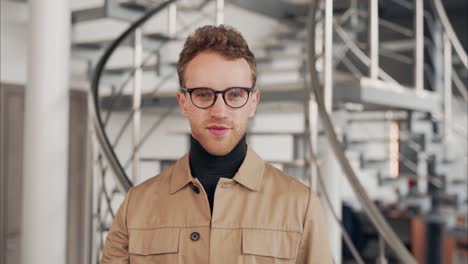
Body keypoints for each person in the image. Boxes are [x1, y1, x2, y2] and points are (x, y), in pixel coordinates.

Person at [101, 25, 332, 264]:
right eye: (203, 94)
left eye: (234, 95)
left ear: (253, 102)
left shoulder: (301, 206)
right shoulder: (135, 207)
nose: (219, 111)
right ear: (183, 102)